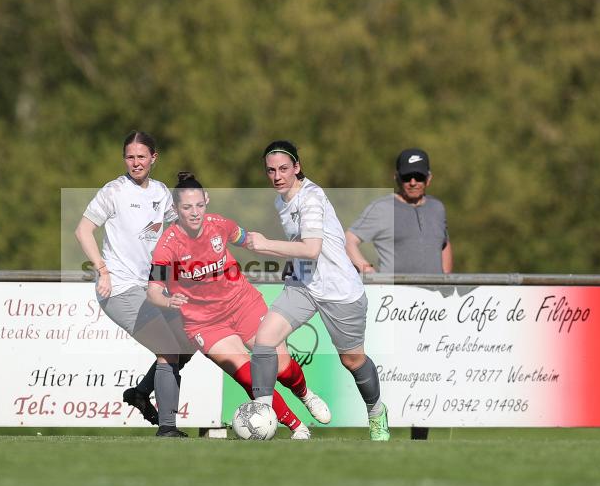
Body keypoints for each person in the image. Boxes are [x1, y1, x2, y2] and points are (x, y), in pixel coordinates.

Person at [147, 172, 331, 439]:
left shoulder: (220, 225)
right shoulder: (168, 245)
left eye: (199, 205)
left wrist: (291, 254)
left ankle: (305, 394)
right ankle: (297, 427)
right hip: (205, 323)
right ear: (175, 209)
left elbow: (252, 241)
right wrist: (167, 299)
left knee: (279, 366)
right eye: (187, 207)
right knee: (248, 375)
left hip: (243, 305)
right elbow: (153, 292)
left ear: (207, 201)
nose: (195, 213)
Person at [245, 140, 389, 441]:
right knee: (264, 340)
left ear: (297, 167)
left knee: (352, 360)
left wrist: (265, 244)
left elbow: (311, 249)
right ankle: (262, 416)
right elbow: (304, 255)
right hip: (304, 284)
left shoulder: (311, 198)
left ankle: (376, 414)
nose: (277, 176)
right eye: (270, 171)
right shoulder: (280, 201)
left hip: (338, 288)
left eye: (284, 169)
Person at [75, 131, 194, 438]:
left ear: (154, 158)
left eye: (142, 156)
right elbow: (83, 231)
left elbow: (181, 226)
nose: (136, 162)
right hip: (120, 290)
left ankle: (141, 393)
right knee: (168, 350)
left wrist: (189, 194)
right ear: (124, 158)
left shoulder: (161, 191)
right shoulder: (113, 191)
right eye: (130, 156)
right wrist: (102, 271)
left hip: (151, 289)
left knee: (190, 341)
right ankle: (167, 428)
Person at [345, 147, 452, 440]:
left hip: (432, 307)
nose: (413, 182)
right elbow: (350, 240)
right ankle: (382, 427)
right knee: (394, 374)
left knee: (426, 374)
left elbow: (444, 244)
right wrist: (365, 268)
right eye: (407, 177)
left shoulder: (437, 208)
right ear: (397, 177)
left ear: (429, 178)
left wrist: (446, 281)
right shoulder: (383, 208)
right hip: (396, 307)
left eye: (418, 176)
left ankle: (420, 437)